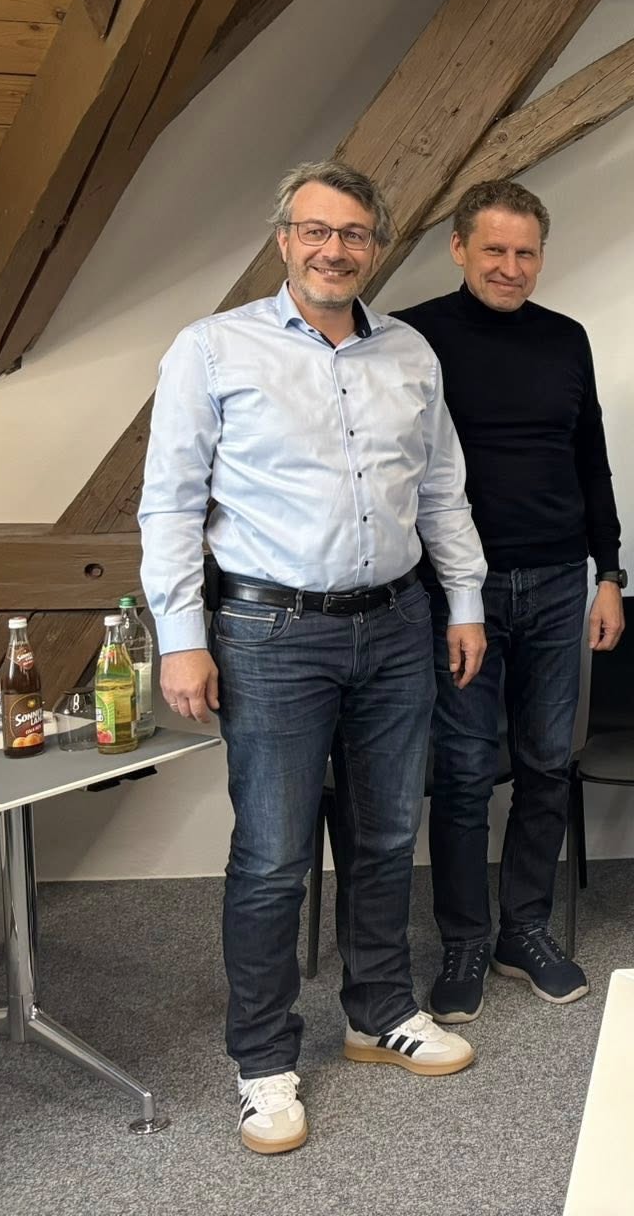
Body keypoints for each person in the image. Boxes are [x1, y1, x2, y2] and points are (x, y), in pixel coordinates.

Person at [138, 161, 488, 1156]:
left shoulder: (409, 352)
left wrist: (463, 601)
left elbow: (441, 489)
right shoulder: (213, 348)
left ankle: (379, 1013)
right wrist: (183, 638)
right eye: (315, 231)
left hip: (397, 626)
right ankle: (262, 1061)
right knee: (273, 857)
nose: (335, 249)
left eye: (354, 234)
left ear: (376, 245)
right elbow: (171, 503)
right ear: (284, 239)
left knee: (384, 837)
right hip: (270, 636)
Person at [395, 180, 624, 1023]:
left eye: (526, 252)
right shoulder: (412, 337)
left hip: (560, 582)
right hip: (460, 592)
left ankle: (522, 929)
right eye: (494, 249)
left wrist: (609, 573)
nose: (510, 266)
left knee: (545, 764)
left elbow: (591, 458)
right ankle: (463, 936)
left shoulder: (566, 339)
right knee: (462, 772)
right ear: (459, 248)